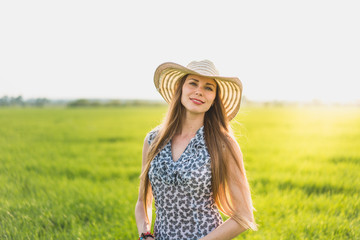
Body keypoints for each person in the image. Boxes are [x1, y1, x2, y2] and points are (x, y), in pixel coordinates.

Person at [135, 60, 257, 240]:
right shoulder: (153, 140)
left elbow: (244, 216)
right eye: (193, 83)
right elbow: (142, 201)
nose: (199, 91)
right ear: (180, 88)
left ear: (215, 98)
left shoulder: (223, 144)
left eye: (208, 88)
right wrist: (145, 235)